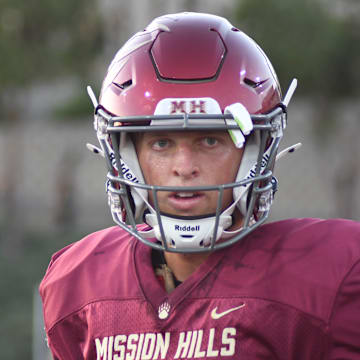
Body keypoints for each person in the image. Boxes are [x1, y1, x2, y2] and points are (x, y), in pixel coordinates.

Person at [40, 12, 360, 359]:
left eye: (210, 141)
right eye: (161, 143)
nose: (185, 168)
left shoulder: (330, 277)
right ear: (126, 156)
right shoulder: (79, 284)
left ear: (255, 151)